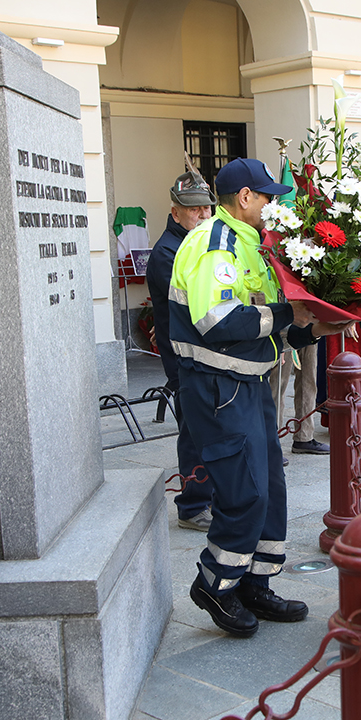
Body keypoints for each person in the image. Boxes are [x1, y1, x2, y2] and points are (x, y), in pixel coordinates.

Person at [169, 158, 349, 637]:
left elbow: (268, 331)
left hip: (247, 383)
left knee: (269, 489)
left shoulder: (252, 246)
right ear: (244, 197)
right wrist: (292, 312)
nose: (274, 204)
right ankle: (215, 584)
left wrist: (313, 328)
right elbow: (221, 322)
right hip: (219, 387)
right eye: (268, 196)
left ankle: (256, 582)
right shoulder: (215, 245)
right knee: (244, 491)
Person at [146, 171, 218, 530]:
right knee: (194, 431)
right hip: (184, 357)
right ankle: (192, 505)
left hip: (204, 353)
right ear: (175, 213)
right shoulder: (167, 253)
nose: (203, 216)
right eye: (194, 210)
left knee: (210, 427)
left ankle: (209, 495)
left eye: (207, 209)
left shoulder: (196, 243)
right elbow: (196, 302)